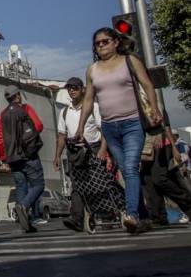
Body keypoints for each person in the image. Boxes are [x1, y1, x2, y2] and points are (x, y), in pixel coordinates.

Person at [76, 27, 163, 234]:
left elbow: (148, 85)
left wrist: (155, 109)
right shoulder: (92, 69)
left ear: (116, 42)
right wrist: (80, 127)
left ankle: (131, 214)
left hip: (133, 123)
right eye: (97, 43)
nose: (101, 46)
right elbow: (88, 100)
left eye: (105, 41)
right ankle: (143, 217)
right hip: (110, 127)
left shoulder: (130, 61)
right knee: (125, 170)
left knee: (131, 168)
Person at [54, 77, 108, 232]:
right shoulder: (64, 112)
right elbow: (61, 136)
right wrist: (57, 156)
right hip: (75, 151)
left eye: (75, 87)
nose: (71, 90)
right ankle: (76, 219)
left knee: (97, 183)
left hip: (93, 148)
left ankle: (103, 213)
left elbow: (103, 130)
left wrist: (103, 149)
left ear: (82, 89)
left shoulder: (93, 107)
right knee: (77, 186)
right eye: (69, 88)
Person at [0, 84, 45, 234]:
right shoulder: (25, 109)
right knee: (38, 184)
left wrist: (4, 158)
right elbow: (38, 125)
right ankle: (24, 206)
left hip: (13, 158)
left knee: (21, 186)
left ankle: (25, 223)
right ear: (17, 95)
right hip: (28, 154)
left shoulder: (2, 115)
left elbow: (0, 138)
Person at [142, 126, 191, 226]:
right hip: (143, 147)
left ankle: (187, 203)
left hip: (159, 142)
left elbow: (164, 122)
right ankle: (158, 217)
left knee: (160, 179)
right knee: (149, 181)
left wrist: (173, 147)